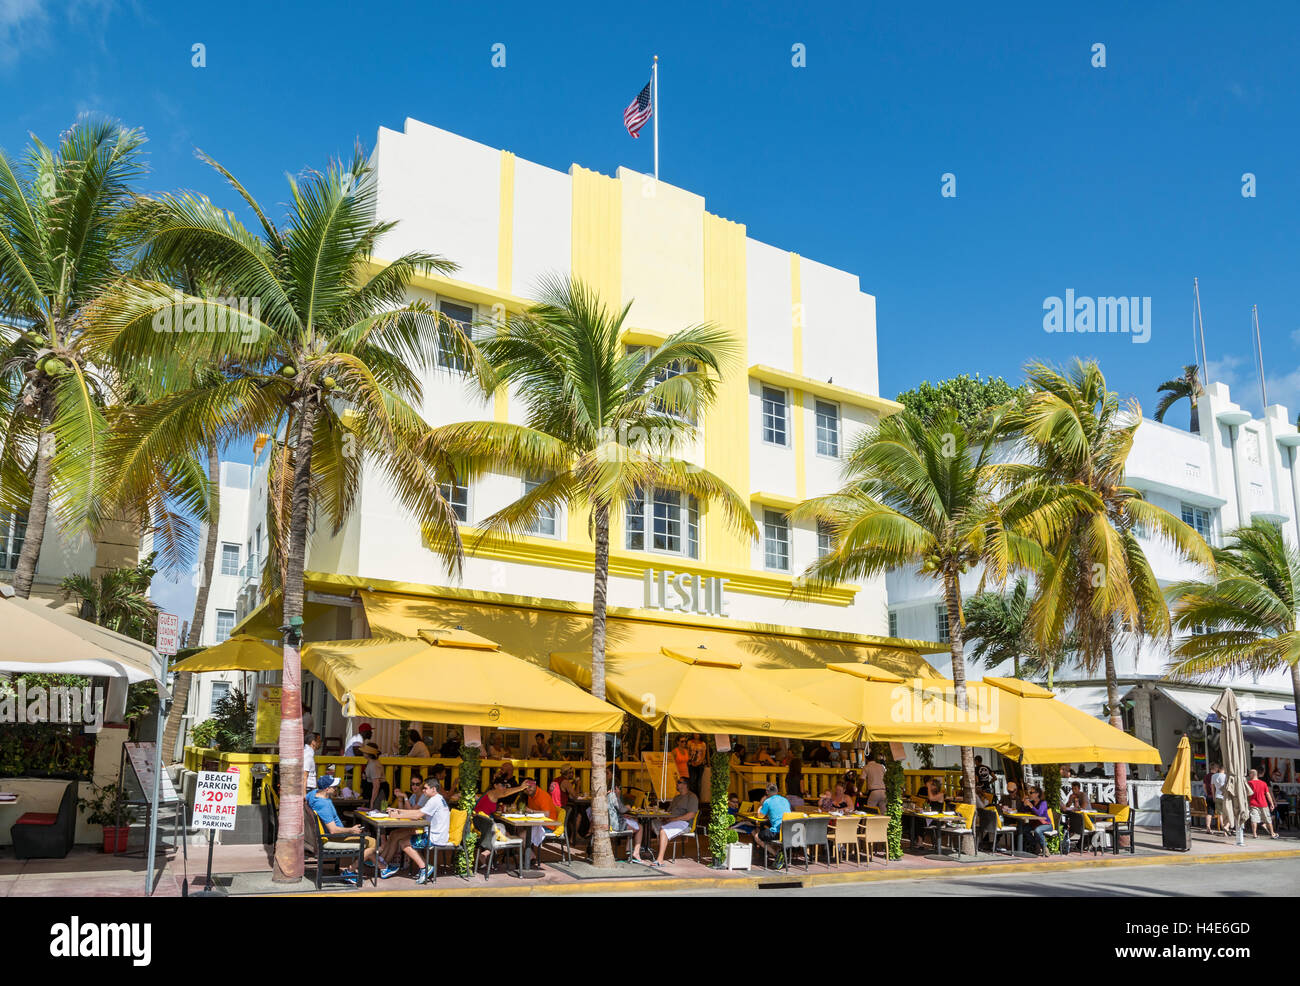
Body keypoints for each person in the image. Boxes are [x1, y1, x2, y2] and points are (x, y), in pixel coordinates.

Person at [306, 775, 378, 884]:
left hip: (327, 836)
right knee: (372, 842)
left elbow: (305, 797)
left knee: (369, 841)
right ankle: (350, 871)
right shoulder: (323, 805)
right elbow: (333, 830)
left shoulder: (313, 794)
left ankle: (382, 866)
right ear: (326, 789)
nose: (336, 788)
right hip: (332, 838)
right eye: (334, 787)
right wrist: (351, 830)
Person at [385, 778, 453, 883]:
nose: (423, 790)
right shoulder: (438, 799)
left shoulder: (434, 801)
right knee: (405, 839)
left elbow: (417, 815)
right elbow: (418, 811)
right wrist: (398, 811)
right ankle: (425, 867)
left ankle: (424, 868)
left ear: (433, 789)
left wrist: (397, 815)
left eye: (425, 788)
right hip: (437, 835)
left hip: (434, 837)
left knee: (403, 843)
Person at [652, 777, 699, 867]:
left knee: (663, 831)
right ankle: (645, 849)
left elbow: (691, 815)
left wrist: (674, 819)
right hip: (672, 820)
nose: (676, 784)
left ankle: (660, 860)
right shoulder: (676, 797)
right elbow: (669, 812)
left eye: (679, 782)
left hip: (684, 823)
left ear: (685, 785)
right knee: (651, 823)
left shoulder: (692, 797)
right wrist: (665, 817)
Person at [606, 778, 647, 860]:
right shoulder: (613, 796)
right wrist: (628, 807)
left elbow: (616, 811)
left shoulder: (607, 795)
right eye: (620, 788)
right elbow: (622, 809)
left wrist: (625, 815)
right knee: (640, 827)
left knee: (634, 821)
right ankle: (636, 852)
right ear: (616, 788)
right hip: (615, 826)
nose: (620, 791)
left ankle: (628, 848)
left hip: (610, 824)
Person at [754, 782, 793, 868]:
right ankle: (780, 853)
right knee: (767, 828)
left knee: (757, 836)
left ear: (767, 792)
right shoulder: (785, 800)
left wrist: (761, 805)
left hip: (778, 832)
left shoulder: (767, 801)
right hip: (789, 831)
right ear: (777, 791)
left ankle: (776, 854)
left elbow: (760, 815)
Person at [1246, 768, 1279, 839]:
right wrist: (1272, 804)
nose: (1249, 775)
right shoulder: (1263, 783)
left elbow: (1247, 795)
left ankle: (1255, 835)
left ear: (1252, 774)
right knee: (1268, 819)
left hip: (1253, 804)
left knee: (1254, 819)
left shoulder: (1249, 783)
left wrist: (1248, 803)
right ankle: (1272, 834)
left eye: (1249, 774)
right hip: (1263, 804)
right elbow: (1268, 794)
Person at [1025, 787, 1054, 856]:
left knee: (1037, 831)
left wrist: (1031, 806)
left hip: (1046, 824)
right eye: (1029, 793)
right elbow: (1023, 811)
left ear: (1037, 794)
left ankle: (1045, 848)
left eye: (1031, 793)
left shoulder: (1043, 803)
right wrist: (1024, 803)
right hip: (1035, 824)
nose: (1030, 794)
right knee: (1024, 829)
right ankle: (1036, 845)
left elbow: (1040, 814)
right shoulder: (1031, 802)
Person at [359, 742, 386, 807]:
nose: (363, 753)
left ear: (369, 754)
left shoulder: (374, 765)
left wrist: (372, 801)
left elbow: (376, 785)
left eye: (365, 752)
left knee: (378, 811)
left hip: (380, 792)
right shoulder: (370, 762)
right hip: (371, 790)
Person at [1210, 762, 1227, 834]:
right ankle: (1226, 827)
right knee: (1227, 813)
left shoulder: (1213, 776)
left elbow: (1212, 788)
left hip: (1217, 796)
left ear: (1219, 769)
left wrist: (1213, 796)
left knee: (1220, 814)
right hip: (1225, 797)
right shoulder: (1227, 776)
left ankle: (1223, 827)